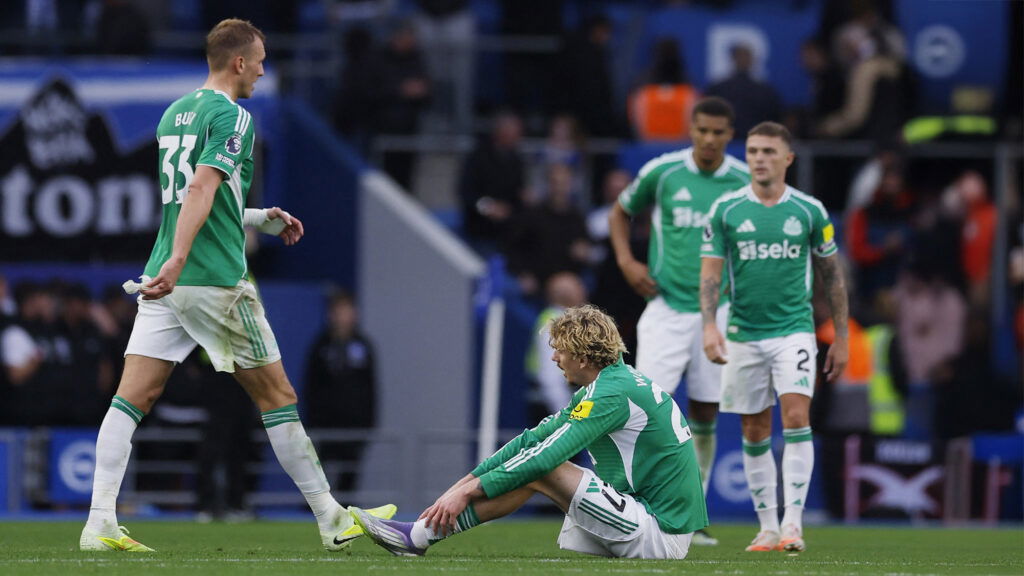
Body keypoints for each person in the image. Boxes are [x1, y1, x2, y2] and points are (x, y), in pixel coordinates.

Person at [79, 18, 394, 553]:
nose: (265, 69)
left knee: (131, 398)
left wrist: (256, 217)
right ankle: (331, 517)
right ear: (239, 63)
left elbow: (193, 197)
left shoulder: (175, 112)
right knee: (278, 396)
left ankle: (99, 522)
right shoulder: (235, 117)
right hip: (213, 280)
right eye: (262, 60)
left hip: (164, 277)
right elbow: (201, 186)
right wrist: (182, 258)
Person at [351, 304, 708, 560]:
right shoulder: (611, 384)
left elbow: (548, 456)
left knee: (543, 469)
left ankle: (415, 537)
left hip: (660, 532)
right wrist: (458, 488)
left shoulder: (611, 394)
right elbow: (531, 440)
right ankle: (418, 534)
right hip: (650, 518)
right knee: (533, 467)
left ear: (583, 358)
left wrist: (470, 491)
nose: (554, 358)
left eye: (560, 351)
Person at [700, 121, 849, 553]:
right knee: (753, 429)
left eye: (768, 151)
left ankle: (793, 525)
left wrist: (840, 335)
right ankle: (766, 527)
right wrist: (710, 325)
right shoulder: (726, 211)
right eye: (752, 151)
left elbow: (832, 276)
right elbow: (710, 273)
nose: (759, 159)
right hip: (743, 334)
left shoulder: (809, 211)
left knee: (797, 417)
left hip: (794, 331)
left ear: (788, 158)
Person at [608, 96, 749, 546]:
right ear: (691, 129)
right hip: (666, 308)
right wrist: (627, 262)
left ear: (730, 135)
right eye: (702, 130)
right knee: (644, 409)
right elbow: (620, 210)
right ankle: (632, 504)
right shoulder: (663, 171)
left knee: (707, 409)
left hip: (718, 311)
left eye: (718, 132)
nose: (709, 139)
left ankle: (693, 512)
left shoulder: (744, 181)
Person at [305, 290, 378, 495]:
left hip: (355, 424)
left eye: (347, 310)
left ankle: (347, 515)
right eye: (339, 311)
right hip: (325, 424)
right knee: (319, 477)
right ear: (331, 314)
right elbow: (311, 384)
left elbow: (371, 388)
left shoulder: (363, 345)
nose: (343, 316)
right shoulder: (320, 346)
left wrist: (370, 422)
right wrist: (311, 421)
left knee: (350, 477)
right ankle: (315, 516)